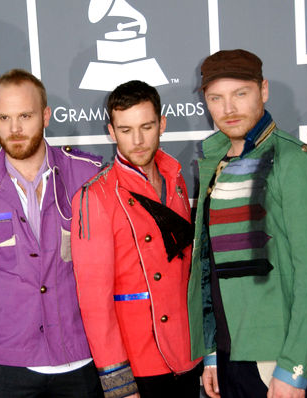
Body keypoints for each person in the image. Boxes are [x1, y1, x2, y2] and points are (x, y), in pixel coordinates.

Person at [187, 49, 307, 398]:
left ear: (263, 91)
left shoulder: (296, 163)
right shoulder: (215, 162)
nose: (229, 108)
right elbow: (210, 268)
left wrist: (294, 370)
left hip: (279, 360)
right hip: (229, 356)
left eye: (240, 93)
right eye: (216, 98)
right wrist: (211, 353)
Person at [0, 69, 103, 397]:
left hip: (83, 362)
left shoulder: (88, 176)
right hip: (3, 369)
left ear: (45, 116)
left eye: (25, 116)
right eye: (4, 118)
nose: (14, 129)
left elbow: (109, 274)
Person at [71, 80, 203, 398]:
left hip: (187, 352)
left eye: (146, 126)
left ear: (162, 124)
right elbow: (94, 303)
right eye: (126, 130)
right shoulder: (95, 196)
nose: (138, 140)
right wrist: (119, 383)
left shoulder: (176, 177)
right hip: (139, 363)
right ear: (112, 132)